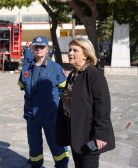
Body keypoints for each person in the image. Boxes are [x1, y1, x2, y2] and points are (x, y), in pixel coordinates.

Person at [56, 38, 115, 168]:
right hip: (75, 133)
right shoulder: (73, 74)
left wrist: (100, 135)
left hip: (89, 135)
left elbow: (102, 106)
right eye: (70, 49)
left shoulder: (94, 75)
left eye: (75, 50)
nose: (70, 53)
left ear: (86, 54)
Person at [18, 36, 69, 168]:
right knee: (33, 141)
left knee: (55, 140)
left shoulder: (56, 68)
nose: (39, 49)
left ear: (48, 49)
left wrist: (50, 100)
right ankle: (36, 163)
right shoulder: (26, 68)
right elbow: (23, 86)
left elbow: (64, 90)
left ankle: (62, 163)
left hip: (50, 113)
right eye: (36, 47)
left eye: (42, 47)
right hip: (31, 113)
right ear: (32, 48)